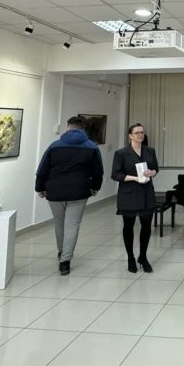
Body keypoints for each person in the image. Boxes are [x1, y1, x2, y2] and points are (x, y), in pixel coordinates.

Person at [35, 115, 104, 276]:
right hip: (79, 191)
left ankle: (61, 251)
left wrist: (40, 188)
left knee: (59, 223)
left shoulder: (54, 146)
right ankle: (65, 262)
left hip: (54, 191)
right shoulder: (92, 147)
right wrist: (95, 187)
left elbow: (42, 169)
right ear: (83, 128)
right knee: (72, 225)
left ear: (68, 127)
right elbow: (98, 172)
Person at [112, 123, 159, 273]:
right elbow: (116, 175)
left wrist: (152, 173)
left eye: (142, 132)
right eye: (137, 132)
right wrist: (135, 178)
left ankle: (143, 257)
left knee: (146, 226)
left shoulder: (150, 151)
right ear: (130, 136)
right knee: (128, 226)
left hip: (146, 193)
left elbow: (155, 168)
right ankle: (130, 258)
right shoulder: (121, 153)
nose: (140, 135)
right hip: (129, 193)